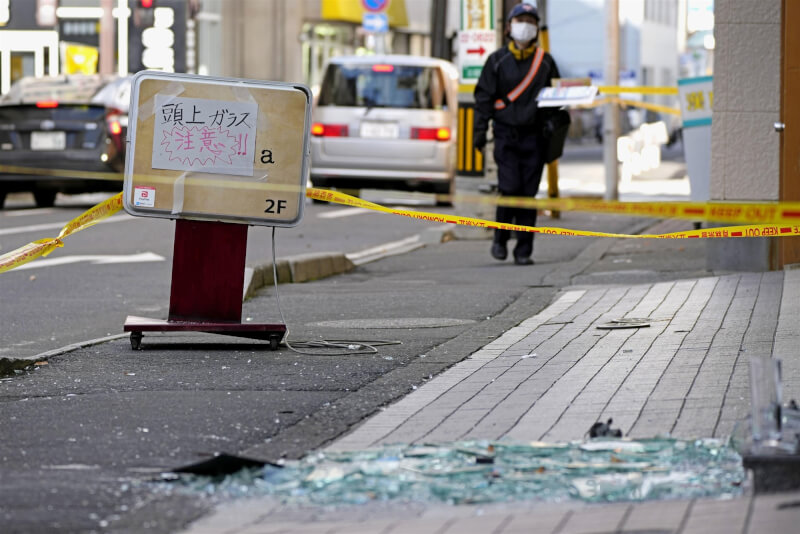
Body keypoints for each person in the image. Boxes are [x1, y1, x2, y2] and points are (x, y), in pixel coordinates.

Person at [473, 2, 561, 265]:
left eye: (530, 22)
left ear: (537, 29)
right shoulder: (496, 61)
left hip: (535, 138)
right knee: (510, 188)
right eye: (520, 21)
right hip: (506, 136)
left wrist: (554, 124)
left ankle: (524, 250)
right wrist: (479, 131)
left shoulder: (545, 62)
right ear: (509, 27)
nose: (525, 26)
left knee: (528, 195)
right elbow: (483, 99)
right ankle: (500, 238)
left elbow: (557, 98)